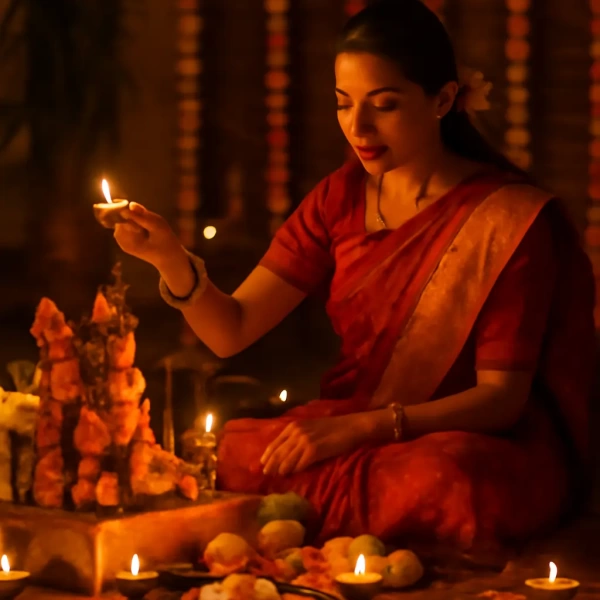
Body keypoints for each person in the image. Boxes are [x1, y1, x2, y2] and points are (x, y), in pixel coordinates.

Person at [114, 0, 596, 552]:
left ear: (443, 99)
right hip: (353, 429)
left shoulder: (509, 219)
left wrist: (364, 428)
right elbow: (231, 330)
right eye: (343, 104)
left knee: (453, 480)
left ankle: (310, 520)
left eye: (384, 105)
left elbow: (500, 400)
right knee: (230, 450)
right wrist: (171, 260)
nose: (357, 127)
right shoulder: (339, 197)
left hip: (464, 441)